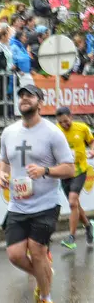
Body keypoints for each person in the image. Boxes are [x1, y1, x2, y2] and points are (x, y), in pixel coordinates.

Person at [0, 85, 75, 303]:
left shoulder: (52, 133)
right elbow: (4, 161)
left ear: (40, 103)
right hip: (18, 205)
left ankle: (46, 301)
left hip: (45, 203)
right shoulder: (8, 132)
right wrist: (1, 173)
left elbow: (69, 168)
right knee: (15, 254)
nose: (24, 99)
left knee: (37, 250)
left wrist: (45, 170)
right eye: (21, 95)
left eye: (30, 95)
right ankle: (44, 274)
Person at [55, 107, 94, 250]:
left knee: (72, 202)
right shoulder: (55, 131)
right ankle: (89, 226)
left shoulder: (82, 128)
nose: (64, 124)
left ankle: (71, 238)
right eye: (61, 122)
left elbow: (91, 141)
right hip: (64, 172)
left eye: (66, 121)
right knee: (75, 205)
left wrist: (92, 149)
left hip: (79, 170)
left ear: (71, 117)